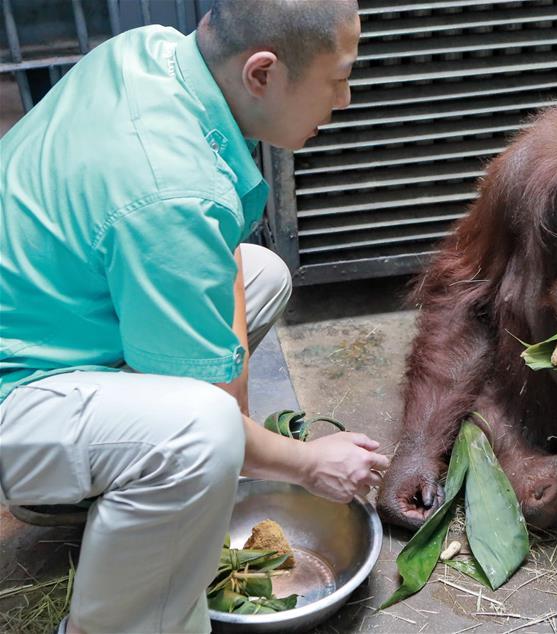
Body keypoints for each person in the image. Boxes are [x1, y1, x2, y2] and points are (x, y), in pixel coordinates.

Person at [0, 1, 388, 632]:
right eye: (338, 77)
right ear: (261, 73)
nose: (344, 99)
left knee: (262, 275)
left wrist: (233, 405)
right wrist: (304, 461)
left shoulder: (152, 53)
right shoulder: (172, 188)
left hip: (45, 320)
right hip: (14, 384)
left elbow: (218, 230)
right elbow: (183, 209)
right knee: (198, 433)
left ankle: (102, 490)